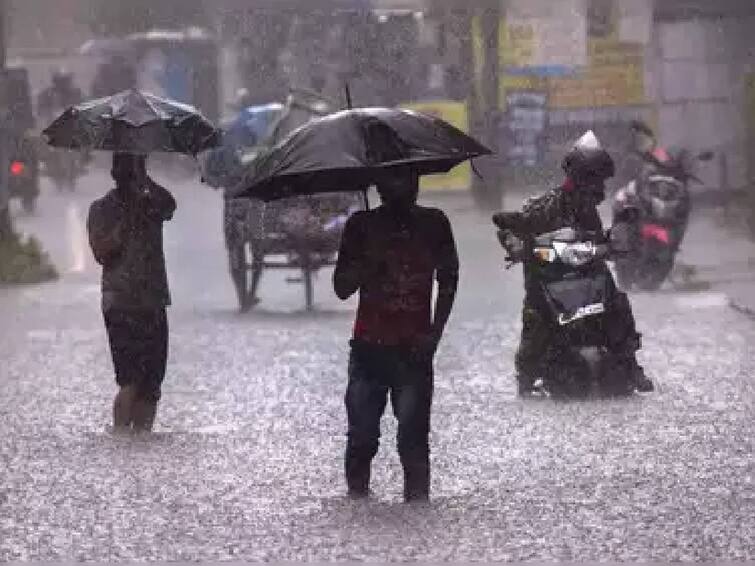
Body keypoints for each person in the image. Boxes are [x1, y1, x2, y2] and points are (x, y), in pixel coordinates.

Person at [494, 131, 655, 396]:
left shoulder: (589, 211)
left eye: (602, 182)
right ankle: (527, 373)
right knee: (535, 311)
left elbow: (600, 238)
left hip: (589, 276)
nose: (601, 190)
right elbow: (514, 227)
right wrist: (515, 243)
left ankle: (629, 363)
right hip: (549, 278)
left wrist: (616, 240)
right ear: (581, 179)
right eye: (595, 181)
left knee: (616, 298)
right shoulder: (544, 206)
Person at [333, 167, 459, 502]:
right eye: (396, 178)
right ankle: (357, 499)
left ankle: (417, 509)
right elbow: (341, 288)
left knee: (413, 441)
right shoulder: (360, 227)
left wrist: (435, 334)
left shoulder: (434, 224)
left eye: (411, 178)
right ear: (379, 186)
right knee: (361, 438)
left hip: (414, 352)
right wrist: (366, 262)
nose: (405, 186)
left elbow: (449, 278)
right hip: (368, 351)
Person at [87, 153, 176, 432]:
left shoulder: (153, 204)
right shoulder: (102, 209)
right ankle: (121, 438)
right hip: (122, 303)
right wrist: (125, 224)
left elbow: (170, 206)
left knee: (151, 384)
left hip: (152, 301)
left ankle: (140, 443)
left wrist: (145, 184)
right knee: (130, 379)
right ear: (115, 173)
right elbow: (101, 252)